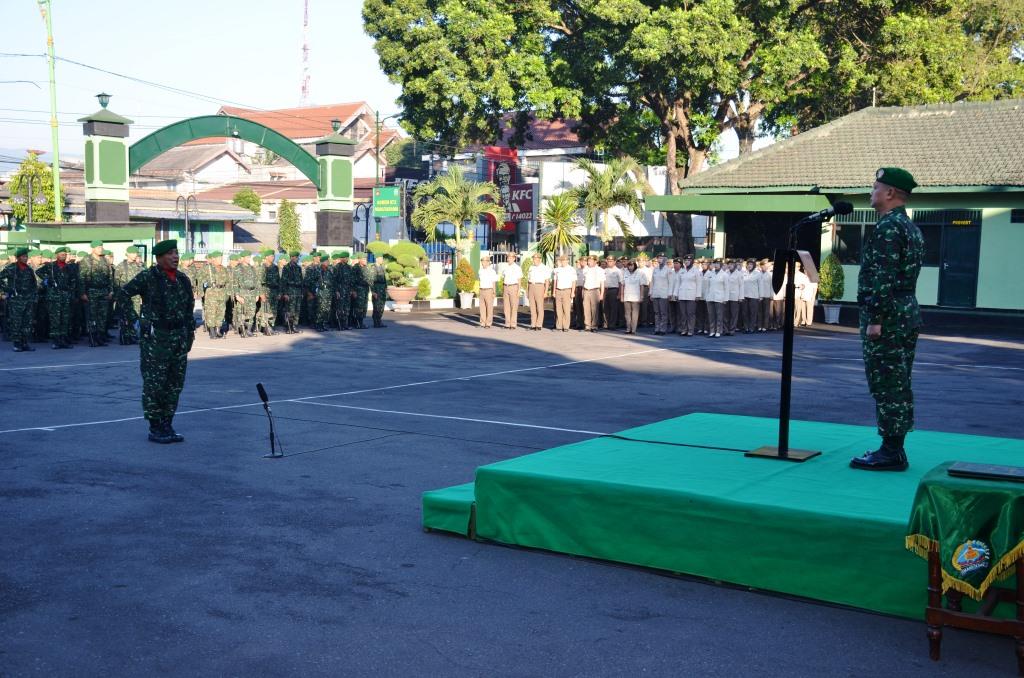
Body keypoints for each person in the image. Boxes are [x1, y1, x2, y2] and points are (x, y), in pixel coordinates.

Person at [850, 168, 924, 472]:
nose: (871, 193)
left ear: (890, 193)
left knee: (887, 383)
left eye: (875, 187)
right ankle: (894, 448)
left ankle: (891, 452)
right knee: (898, 381)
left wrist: (875, 319)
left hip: (889, 316)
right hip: (905, 311)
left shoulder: (889, 227)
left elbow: (884, 277)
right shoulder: (909, 226)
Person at [121, 239, 195, 444]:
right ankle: (155, 426)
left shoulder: (182, 279)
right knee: (155, 383)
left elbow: (188, 309)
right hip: (157, 338)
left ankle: (167, 424)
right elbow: (124, 293)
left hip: (178, 337)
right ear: (159, 257)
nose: (175, 257)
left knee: (175, 383)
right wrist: (136, 320)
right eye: (170, 253)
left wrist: (190, 334)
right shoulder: (148, 277)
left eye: (176, 253)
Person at [34, 246, 81, 349]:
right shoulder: (51, 266)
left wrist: (71, 291)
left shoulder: (69, 267)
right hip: (54, 297)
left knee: (65, 319)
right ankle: (56, 340)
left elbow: (73, 281)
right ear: (57, 255)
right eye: (61, 255)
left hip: (66, 296)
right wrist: (48, 279)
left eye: (65, 255)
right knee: (55, 319)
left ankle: (63, 339)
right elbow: (38, 272)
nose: (63, 256)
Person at [0, 247, 38, 352]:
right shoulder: (11, 268)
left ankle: (25, 343)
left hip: (28, 299)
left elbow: (34, 284)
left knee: (27, 322)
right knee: (16, 322)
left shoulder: (29, 269)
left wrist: (33, 296)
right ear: (18, 258)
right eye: (23, 257)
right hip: (16, 300)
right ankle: (17, 343)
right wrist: (6, 289)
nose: (25, 258)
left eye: (26, 256)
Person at [79, 240, 115, 346]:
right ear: (93, 248)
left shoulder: (105, 260)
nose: (100, 249)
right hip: (91, 291)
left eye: (101, 247)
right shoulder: (86, 260)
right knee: (92, 315)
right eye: (98, 247)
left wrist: (111, 291)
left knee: (103, 315)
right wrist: (82, 293)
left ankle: (100, 336)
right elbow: (81, 277)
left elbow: (110, 276)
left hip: (104, 291)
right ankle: (93, 337)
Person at [115, 246, 144, 344]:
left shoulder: (138, 267)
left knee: (135, 317)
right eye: (134, 253)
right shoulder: (121, 266)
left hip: (136, 297)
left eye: (136, 253)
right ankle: (125, 337)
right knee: (125, 317)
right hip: (125, 296)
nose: (136, 255)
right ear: (128, 254)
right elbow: (116, 282)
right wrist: (117, 296)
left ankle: (132, 335)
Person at [673, 254, 700, 336]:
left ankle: (690, 330)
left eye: (688, 260)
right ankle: (684, 329)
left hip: (692, 295)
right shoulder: (682, 271)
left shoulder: (696, 271)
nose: (687, 262)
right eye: (685, 260)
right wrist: (675, 294)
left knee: (690, 314)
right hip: (682, 294)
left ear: (692, 261)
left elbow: (699, 284)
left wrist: (698, 295)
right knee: (683, 314)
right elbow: (678, 283)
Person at [550, 254, 576, 332]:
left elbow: (574, 281)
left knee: (566, 309)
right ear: (561, 261)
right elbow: (555, 281)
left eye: (565, 260)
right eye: (562, 261)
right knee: (558, 309)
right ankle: (559, 326)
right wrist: (554, 291)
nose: (564, 262)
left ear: (568, 261)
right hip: (558, 290)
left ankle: (566, 326)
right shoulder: (557, 270)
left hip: (567, 290)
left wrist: (573, 292)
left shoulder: (571, 269)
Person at [281, 250, 304, 333]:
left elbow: (301, 280)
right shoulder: (286, 267)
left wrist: (301, 292)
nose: (297, 259)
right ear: (292, 257)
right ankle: (288, 327)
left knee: (297, 310)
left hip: (298, 291)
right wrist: (285, 293)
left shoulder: (298, 268)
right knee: (289, 310)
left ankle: (294, 326)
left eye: (298, 257)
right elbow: (283, 281)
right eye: (296, 257)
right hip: (290, 291)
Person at [649, 254, 672, 335]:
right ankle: (657, 329)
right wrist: (651, 293)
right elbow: (652, 282)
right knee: (656, 312)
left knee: (663, 312)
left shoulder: (668, 270)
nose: (660, 259)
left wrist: (669, 293)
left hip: (664, 294)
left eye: (661, 258)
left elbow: (670, 282)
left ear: (665, 259)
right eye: (658, 258)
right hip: (655, 293)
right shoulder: (655, 269)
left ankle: (662, 329)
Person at [526, 252, 550, 330]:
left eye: (535, 258)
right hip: (531, 286)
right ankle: (533, 325)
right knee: (532, 307)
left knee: (539, 306)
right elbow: (528, 280)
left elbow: (547, 281)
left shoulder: (544, 268)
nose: (534, 260)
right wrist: (527, 290)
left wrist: (546, 291)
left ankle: (539, 324)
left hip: (539, 286)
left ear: (540, 259)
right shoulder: (531, 267)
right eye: (533, 258)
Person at [581, 255, 604, 332]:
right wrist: (583, 291)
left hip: (595, 290)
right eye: (588, 261)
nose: (589, 262)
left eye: (590, 261)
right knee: (586, 308)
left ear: (595, 261)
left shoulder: (600, 270)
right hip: (586, 290)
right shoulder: (585, 269)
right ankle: (587, 325)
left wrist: (601, 294)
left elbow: (602, 283)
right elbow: (584, 281)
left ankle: (594, 326)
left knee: (594, 309)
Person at [705, 258, 728, 338]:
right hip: (710, 297)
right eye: (715, 263)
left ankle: (718, 331)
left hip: (719, 297)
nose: (716, 265)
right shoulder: (710, 273)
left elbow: (726, 288)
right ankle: (712, 331)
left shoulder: (724, 275)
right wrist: (707, 297)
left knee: (719, 315)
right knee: (711, 315)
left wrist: (725, 299)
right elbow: (707, 287)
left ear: (721, 265)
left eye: (718, 263)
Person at [621, 260, 644, 334]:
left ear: (635, 266)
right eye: (629, 265)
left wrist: (641, 296)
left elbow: (641, 286)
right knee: (627, 314)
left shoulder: (639, 273)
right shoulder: (625, 273)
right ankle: (628, 328)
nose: (630, 267)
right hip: (627, 296)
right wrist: (622, 296)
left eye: (632, 265)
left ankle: (633, 329)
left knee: (635, 314)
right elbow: (622, 285)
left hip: (636, 296)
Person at [501, 252, 523, 330]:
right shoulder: (505, 267)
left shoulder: (517, 268)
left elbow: (519, 280)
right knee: (506, 306)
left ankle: (513, 324)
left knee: (514, 306)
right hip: (506, 286)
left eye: (510, 257)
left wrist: (519, 290)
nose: (509, 259)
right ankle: (507, 323)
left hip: (514, 287)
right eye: (508, 257)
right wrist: (503, 288)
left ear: (514, 258)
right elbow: (503, 278)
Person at [332, 251, 352, 331]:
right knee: (340, 308)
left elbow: (351, 280)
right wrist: (336, 291)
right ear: (342, 259)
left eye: (347, 258)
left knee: (347, 308)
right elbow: (334, 280)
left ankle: (345, 324)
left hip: (347, 290)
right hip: (340, 289)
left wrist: (351, 289)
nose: (347, 259)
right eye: (346, 258)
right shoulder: (337, 267)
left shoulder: (349, 267)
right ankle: (339, 325)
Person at [601, 255, 623, 330]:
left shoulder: (618, 271)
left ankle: (612, 324)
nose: (609, 262)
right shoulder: (605, 270)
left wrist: (619, 293)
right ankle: (606, 324)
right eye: (608, 261)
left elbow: (620, 283)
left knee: (613, 308)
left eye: (611, 261)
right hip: (606, 290)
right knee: (606, 308)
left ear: (614, 262)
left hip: (614, 290)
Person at [350, 253, 370, 329]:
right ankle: (357, 323)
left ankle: (361, 322)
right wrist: (353, 291)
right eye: (364, 259)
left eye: (366, 259)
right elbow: (352, 280)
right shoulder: (355, 268)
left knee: (364, 306)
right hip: (358, 289)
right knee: (358, 307)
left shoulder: (366, 268)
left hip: (365, 289)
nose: (365, 260)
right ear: (359, 260)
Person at [477, 255, 498, 328]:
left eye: (484, 261)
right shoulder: (480, 270)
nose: (483, 263)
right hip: (481, 290)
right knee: (482, 307)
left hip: (489, 290)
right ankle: (482, 322)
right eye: (482, 261)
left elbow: (493, 282)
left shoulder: (492, 271)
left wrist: (494, 292)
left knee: (489, 308)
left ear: (488, 262)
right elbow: (480, 281)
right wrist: (479, 290)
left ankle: (488, 323)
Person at [742, 259, 761, 334]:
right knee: (745, 313)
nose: (749, 266)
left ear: (754, 265)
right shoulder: (743, 273)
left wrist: (761, 296)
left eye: (751, 264)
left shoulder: (757, 273)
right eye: (748, 264)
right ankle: (746, 328)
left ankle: (751, 328)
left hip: (754, 296)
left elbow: (760, 285)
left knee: (753, 313)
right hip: (744, 295)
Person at [369, 255, 388, 328]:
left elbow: (384, 279)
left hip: (382, 289)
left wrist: (385, 287)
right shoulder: (373, 267)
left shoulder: (382, 267)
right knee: (376, 306)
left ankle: (379, 321)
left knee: (382, 306)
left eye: (382, 259)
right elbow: (371, 280)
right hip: (377, 289)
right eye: (380, 258)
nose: (382, 260)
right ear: (377, 259)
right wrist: (373, 291)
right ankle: (376, 322)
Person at [725, 258, 742, 335]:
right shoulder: (726, 273)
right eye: (729, 264)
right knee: (726, 314)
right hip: (726, 296)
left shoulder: (739, 274)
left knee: (734, 314)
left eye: (732, 264)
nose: (730, 265)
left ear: (735, 265)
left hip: (735, 297)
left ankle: (732, 330)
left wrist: (740, 297)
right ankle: (726, 330)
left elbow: (741, 286)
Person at [757, 259, 772, 332]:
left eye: (766, 266)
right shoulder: (758, 274)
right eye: (763, 266)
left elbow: (772, 286)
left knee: (766, 311)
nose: (764, 267)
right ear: (761, 266)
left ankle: (765, 326)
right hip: (759, 295)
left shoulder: (770, 274)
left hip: (766, 295)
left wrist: (771, 295)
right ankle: (759, 325)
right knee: (759, 311)